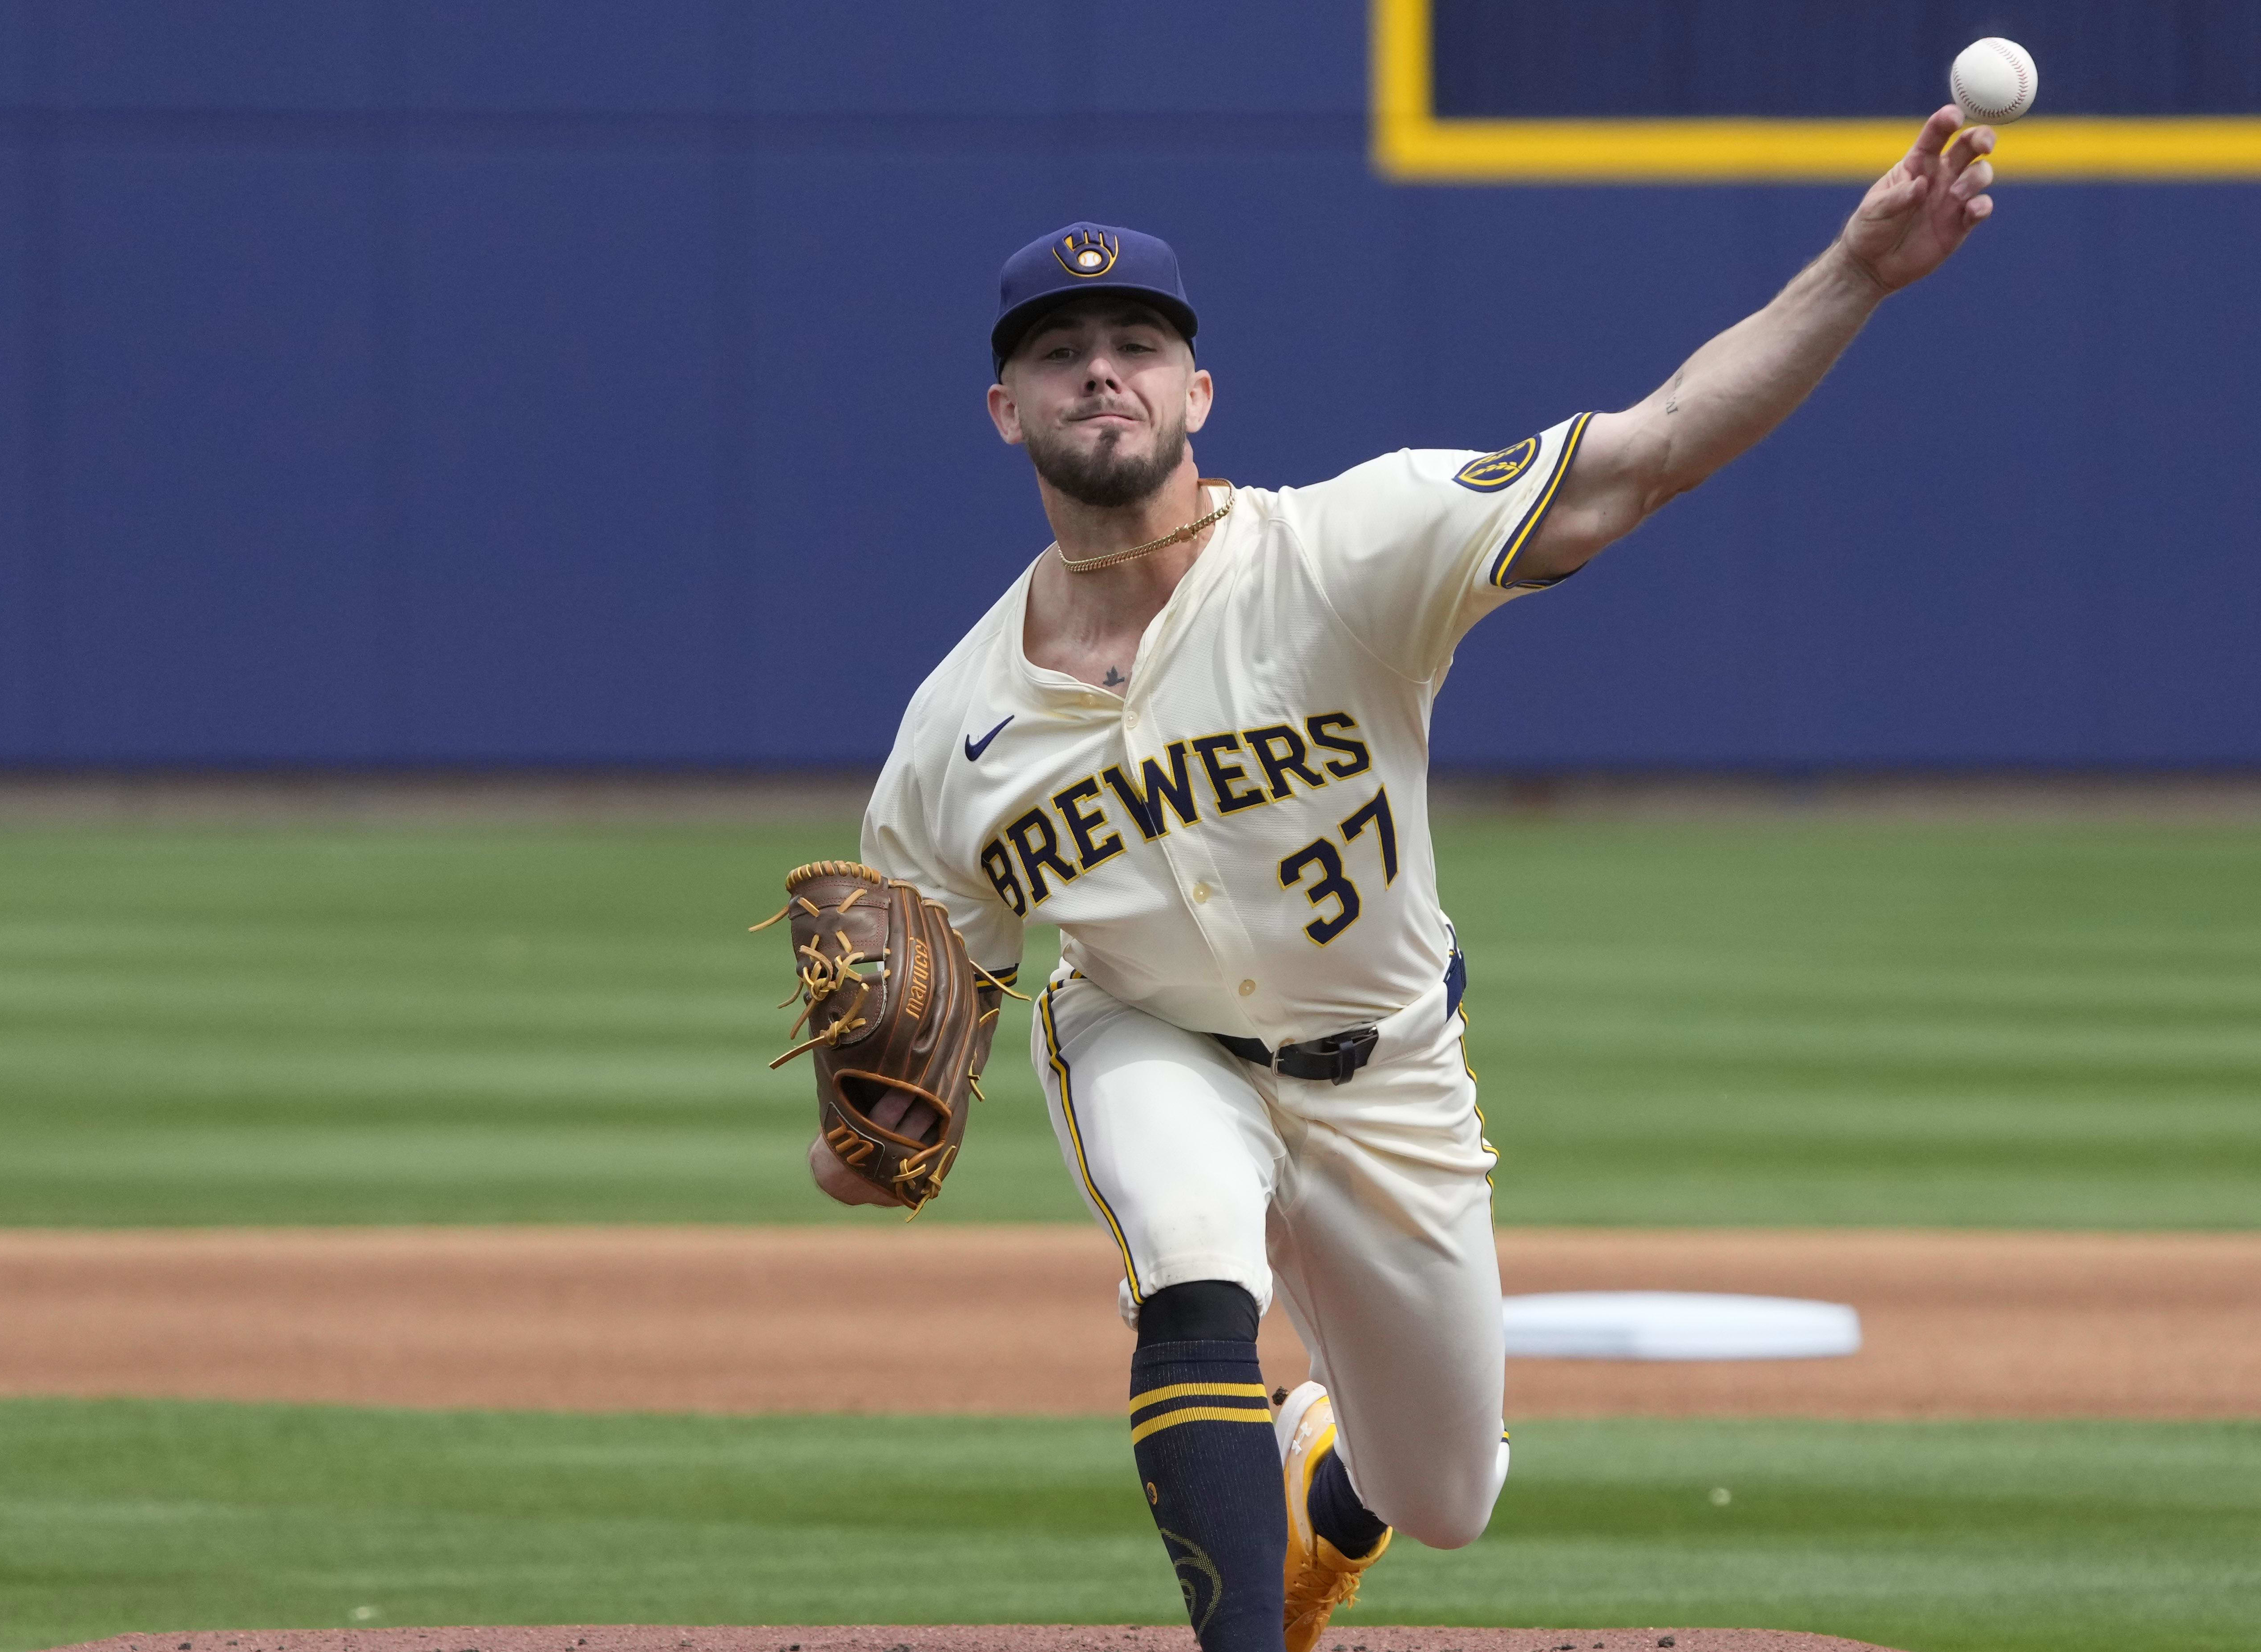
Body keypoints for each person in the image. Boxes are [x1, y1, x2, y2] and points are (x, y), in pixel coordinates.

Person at [815, 107, 1999, 1652]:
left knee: (1447, 1492)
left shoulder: (1345, 550)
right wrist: (874, 1117)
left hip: (1391, 1071)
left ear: (1197, 390)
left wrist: (1854, 269)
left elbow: (1646, 456)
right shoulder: (947, 732)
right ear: (1001, 407)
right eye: (1057, 352)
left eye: (1134, 342)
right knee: (1190, 1263)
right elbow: (926, 1001)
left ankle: (1337, 1479)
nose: (1098, 369)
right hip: (1148, 1037)